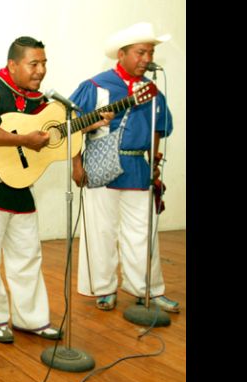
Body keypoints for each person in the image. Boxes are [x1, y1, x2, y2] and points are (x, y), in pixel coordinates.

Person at [0, 36, 108, 344]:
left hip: (21, 182)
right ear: (13, 65)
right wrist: (23, 141)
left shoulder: (42, 101)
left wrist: (90, 123)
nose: (41, 70)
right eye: (34, 64)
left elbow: (56, 133)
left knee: (28, 253)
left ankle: (33, 319)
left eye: (44, 63)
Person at [69, 22, 178, 313]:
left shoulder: (151, 89)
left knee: (143, 231)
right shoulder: (95, 86)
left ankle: (148, 290)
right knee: (101, 230)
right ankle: (104, 289)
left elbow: (159, 127)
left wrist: (154, 162)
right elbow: (72, 126)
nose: (147, 58)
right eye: (141, 52)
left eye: (150, 52)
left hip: (137, 167)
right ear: (122, 54)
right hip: (101, 166)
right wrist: (76, 165)